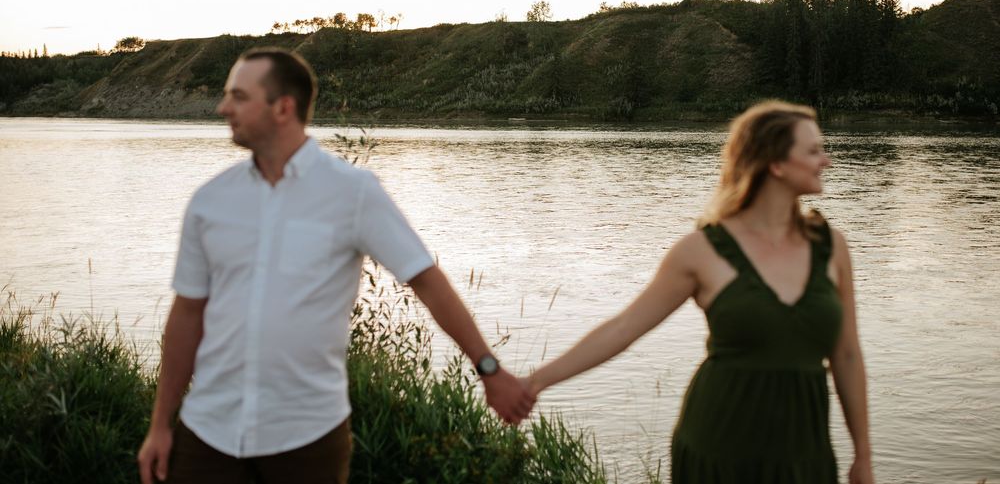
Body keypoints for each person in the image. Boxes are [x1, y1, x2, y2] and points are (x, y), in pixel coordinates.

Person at [137, 48, 534, 484]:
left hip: (308, 440)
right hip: (208, 435)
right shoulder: (210, 202)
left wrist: (489, 370)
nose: (222, 107)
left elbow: (427, 280)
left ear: (283, 107)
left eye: (238, 96)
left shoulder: (353, 192)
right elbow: (187, 314)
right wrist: (160, 424)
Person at [523, 101, 874, 484]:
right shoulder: (700, 251)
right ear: (775, 164)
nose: (827, 161)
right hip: (717, 450)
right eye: (813, 151)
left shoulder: (831, 247)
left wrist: (863, 456)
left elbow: (847, 354)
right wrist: (535, 382)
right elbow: (624, 328)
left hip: (804, 455)